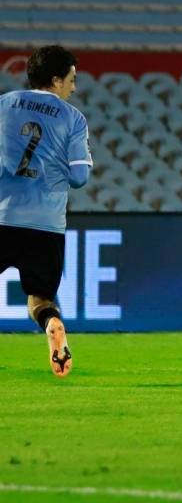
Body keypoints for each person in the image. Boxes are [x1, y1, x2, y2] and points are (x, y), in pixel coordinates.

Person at [0, 45, 92, 377]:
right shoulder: (73, 119)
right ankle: (52, 323)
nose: (74, 87)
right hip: (46, 224)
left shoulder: (4, 106)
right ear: (55, 80)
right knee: (40, 299)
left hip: (3, 216)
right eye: (71, 79)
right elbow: (80, 177)